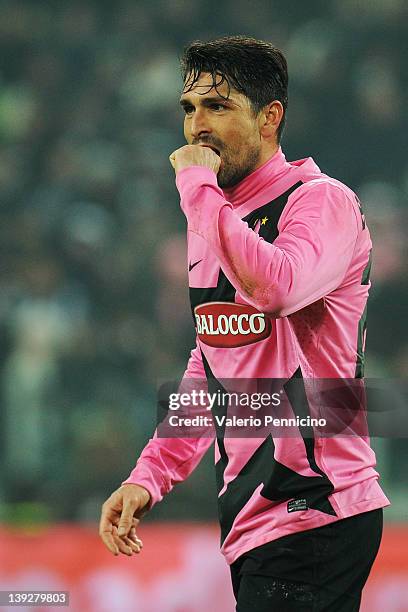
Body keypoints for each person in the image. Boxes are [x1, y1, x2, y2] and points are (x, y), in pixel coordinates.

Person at [99, 36, 389, 611]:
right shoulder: (215, 217)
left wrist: (197, 193)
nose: (197, 126)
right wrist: (148, 476)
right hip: (255, 522)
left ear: (270, 117)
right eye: (189, 109)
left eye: (218, 106)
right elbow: (210, 365)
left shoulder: (320, 202)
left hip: (316, 509)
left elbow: (276, 288)